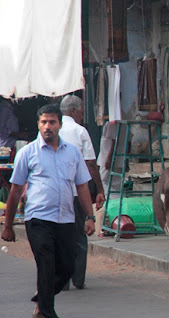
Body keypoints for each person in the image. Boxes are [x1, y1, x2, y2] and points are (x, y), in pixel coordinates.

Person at [1, 104, 96, 318]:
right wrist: (8, 225)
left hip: (66, 219)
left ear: (60, 125)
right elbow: (14, 191)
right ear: (38, 125)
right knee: (46, 265)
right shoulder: (28, 153)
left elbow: (82, 186)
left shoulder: (72, 153)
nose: (48, 126)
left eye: (52, 122)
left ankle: (41, 299)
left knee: (67, 267)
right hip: (38, 219)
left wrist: (91, 216)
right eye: (43, 122)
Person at [59, 94, 105, 289]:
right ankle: (78, 279)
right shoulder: (80, 131)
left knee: (60, 236)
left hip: (57, 193)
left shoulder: (51, 130)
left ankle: (62, 280)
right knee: (79, 235)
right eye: (81, 111)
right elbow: (91, 164)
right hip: (77, 193)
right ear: (74, 111)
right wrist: (100, 189)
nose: (81, 115)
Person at [0, 97, 29, 200]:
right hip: (1, 146)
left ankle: (1, 197)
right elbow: (0, 128)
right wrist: (18, 134)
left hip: (9, 146)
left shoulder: (11, 108)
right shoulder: (4, 108)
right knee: (0, 175)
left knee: (5, 175)